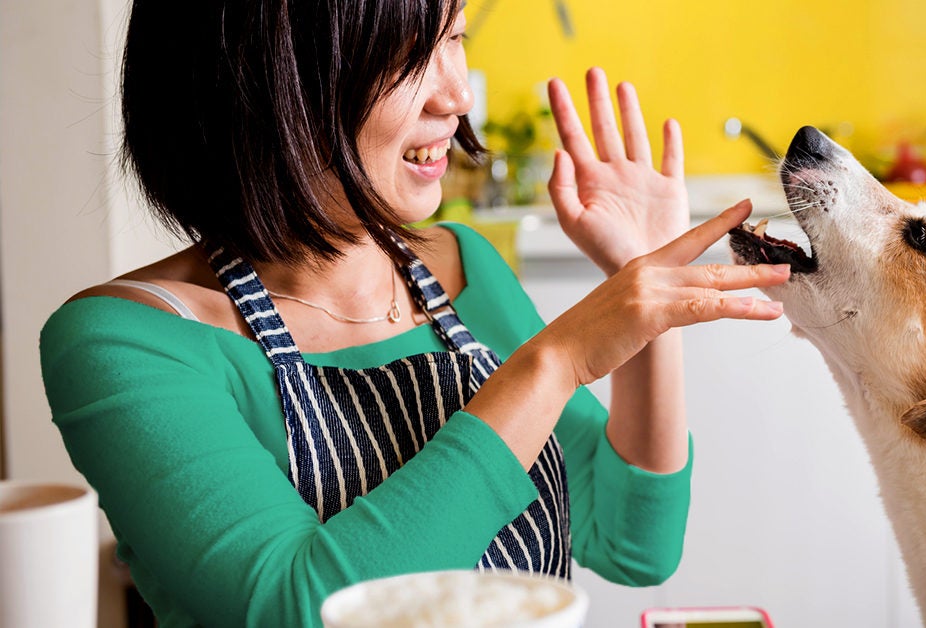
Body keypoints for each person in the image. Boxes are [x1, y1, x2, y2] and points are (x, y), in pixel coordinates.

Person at [38, 1, 789, 625]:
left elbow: (632, 541)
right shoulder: (127, 342)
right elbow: (298, 609)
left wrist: (647, 293)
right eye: (408, 55)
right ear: (276, 82)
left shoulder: (462, 265)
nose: (457, 95)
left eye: (455, 38)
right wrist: (556, 361)